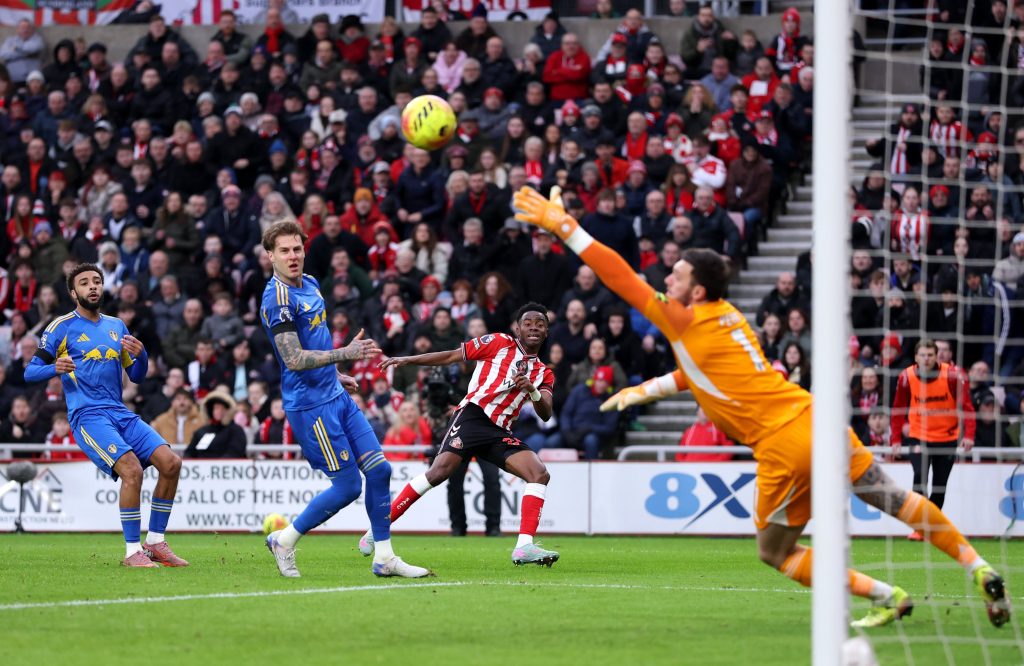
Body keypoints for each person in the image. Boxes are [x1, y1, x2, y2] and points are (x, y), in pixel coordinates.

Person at [512, 185, 1010, 628]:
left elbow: (621, 278)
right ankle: (977, 565)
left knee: (774, 552)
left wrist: (565, 226)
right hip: (817, 419)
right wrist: (648, 391)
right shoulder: (726, 317)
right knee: (894, 499)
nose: (670, 276)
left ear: (697, 290)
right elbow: (700, 376)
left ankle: (885, 593)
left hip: (783, 442)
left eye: (678, 274)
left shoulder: (683, 321)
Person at [259, 220, 429, 579]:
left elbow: (314, 345)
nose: (293, 256)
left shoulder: (311, 284)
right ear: (270, 255)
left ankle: (384, 556)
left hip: (334, 394)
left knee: (380, 470)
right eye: (284, 251)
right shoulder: (277, 299)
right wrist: (345, 354)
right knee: (349, 485)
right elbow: (292, 359)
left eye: (297, 248)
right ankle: (285, 539)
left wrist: (335, 373)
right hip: (311, 406)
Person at [363, 302, 560, 567]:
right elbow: (452, 356)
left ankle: (524, 546)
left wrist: (533, 391)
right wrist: (408, 359)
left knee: (539, 474)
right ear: (517, 328)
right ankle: (378, 529)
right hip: (472, 416)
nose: (534, 327)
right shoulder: (500, 342)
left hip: (499, 431)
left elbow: (545, 412)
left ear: (546, 332)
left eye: (540, 324)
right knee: (438, 473)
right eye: (528, 323)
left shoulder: (543, 373)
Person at [23, 263, 188, 568]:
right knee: (132, 471)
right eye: (85, 283)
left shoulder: (117, 326)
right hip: (88, 415)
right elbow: (29, 372)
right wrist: (52, 368)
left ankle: (155, 542)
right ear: (74, 293)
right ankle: (131, 552)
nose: (93, 287)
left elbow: (136, 376)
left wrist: (143, 356)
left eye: (97, 281)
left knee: (171, 463)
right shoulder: (61, 326)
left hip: (119, 412)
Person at [890, 339, 976, 541]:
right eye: (923, 355)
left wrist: (969, 435)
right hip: (918, 436)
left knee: (939, 485)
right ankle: (919, 527)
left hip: (947, 438)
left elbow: (967, 407)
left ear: (936, 356)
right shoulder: (906, 377)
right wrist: (895, 438)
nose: (926, 358)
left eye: (930, 355)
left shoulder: (953, 376)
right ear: (916, 357)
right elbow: (897, 409)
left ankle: (928, 527)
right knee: (919, 476)